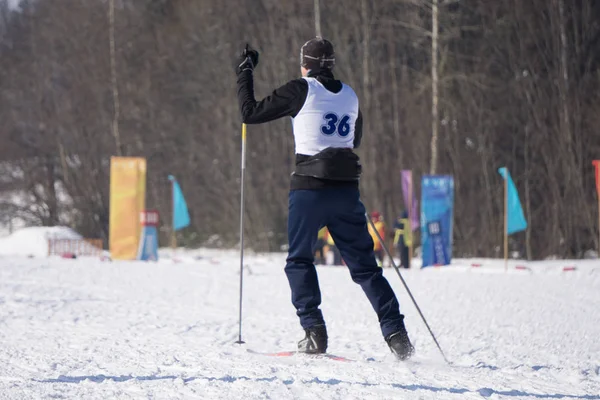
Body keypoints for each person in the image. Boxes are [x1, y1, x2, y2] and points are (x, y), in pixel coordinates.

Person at [235, 38, 414, 360]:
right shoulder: (350, 94)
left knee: (300, 260)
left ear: (306, 64)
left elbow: (250, 113)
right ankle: (397, 334)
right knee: (366, 269)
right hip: (346, 191)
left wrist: (245, 71)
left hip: (308, 189)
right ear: (330, 63)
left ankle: (314, 331)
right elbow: (353, 139)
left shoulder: (300, 89)